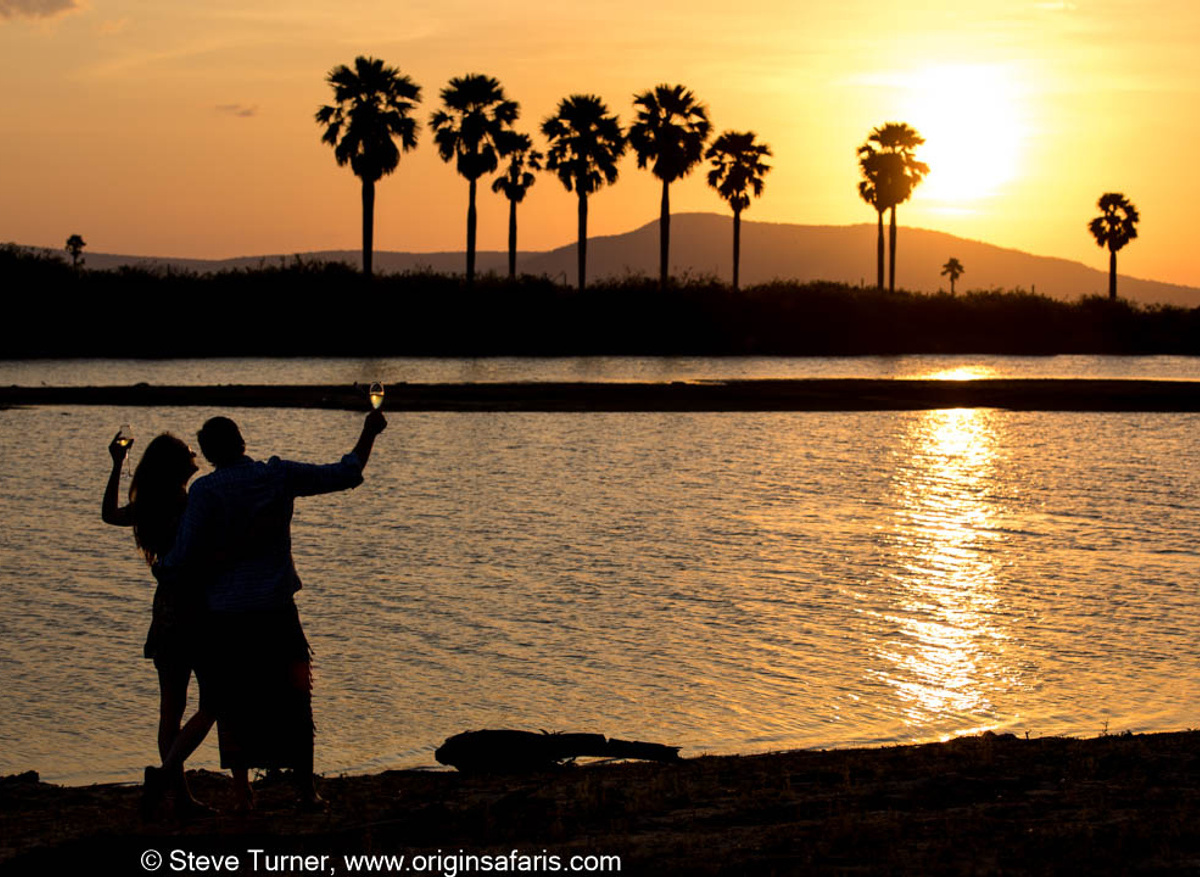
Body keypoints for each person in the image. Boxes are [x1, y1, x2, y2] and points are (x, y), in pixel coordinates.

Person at [157, 409, 386, 809]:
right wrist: (368, 430)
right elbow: (346, 473)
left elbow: (182, 557)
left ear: (209, 455)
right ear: (242, 443)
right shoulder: (276, 475)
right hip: (276, 611)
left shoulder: (206, 492)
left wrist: (163, 568)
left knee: (231, 705)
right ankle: (304, 790)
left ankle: (225, 788)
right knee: (296, 698)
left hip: (226, 616)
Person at [102, 431, 215, 817]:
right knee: (213, 702)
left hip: (166, 611)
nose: (193, 454)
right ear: (175, 465)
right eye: (186, 451)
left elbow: (109, 514)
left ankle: (179, 794)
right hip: (197, 611)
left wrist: (117, 466)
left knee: (172, 708)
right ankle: (169, 780)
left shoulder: (149, 505)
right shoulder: (187, 503)